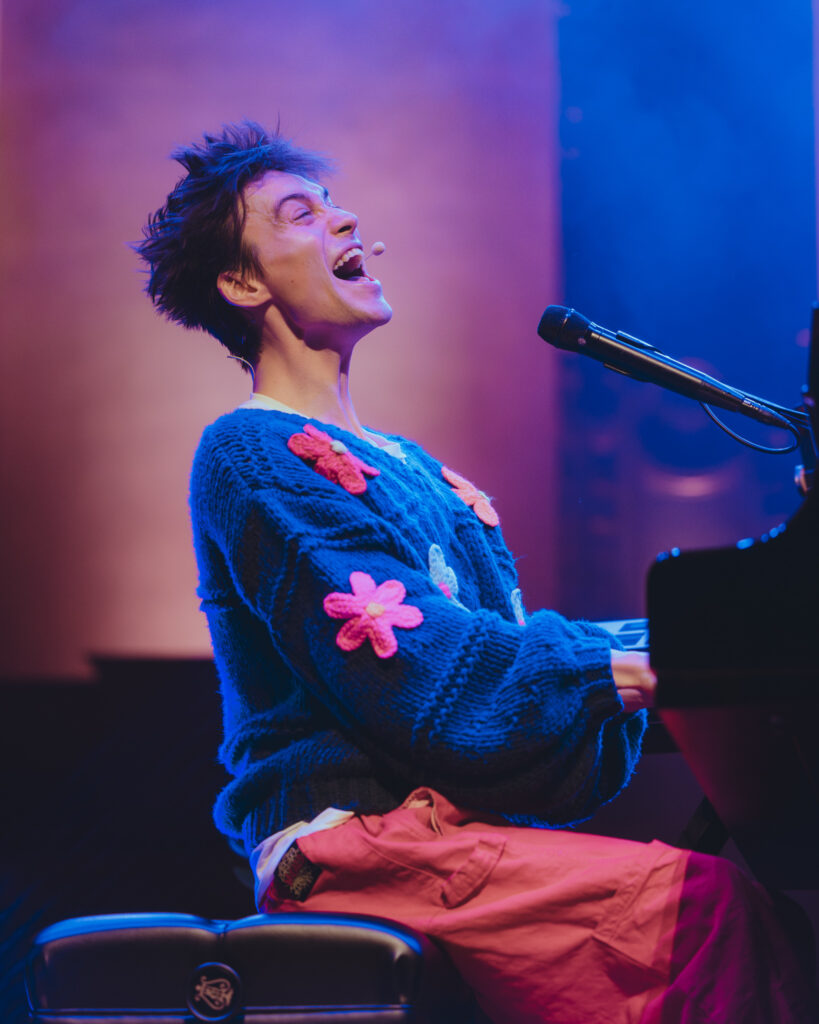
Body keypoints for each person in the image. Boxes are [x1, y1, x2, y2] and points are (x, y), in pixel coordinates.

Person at [136, 121, 816, 1023]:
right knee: (704, 911)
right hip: (349, 846)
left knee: (761, 913)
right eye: (302, 214)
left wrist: (711, 650)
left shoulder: (417, 470)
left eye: (338, 206)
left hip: (448, 836)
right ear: (242, 282)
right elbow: (435, 681)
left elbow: (497, 674)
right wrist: (639, 666)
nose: (347, 223)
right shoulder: (252, 451)